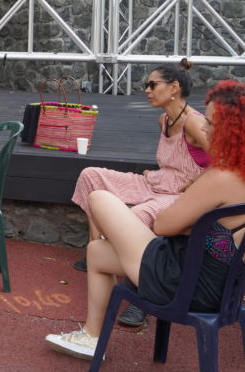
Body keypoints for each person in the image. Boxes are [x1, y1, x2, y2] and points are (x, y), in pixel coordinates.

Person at [46, 80, 245, 360]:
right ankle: (91, 337)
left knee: (100, 198)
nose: (204, 129)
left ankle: (120, 299)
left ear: (236, 131)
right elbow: (219, 232)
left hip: (186, 286)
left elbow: (163, 226)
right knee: (97, 252)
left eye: (211, 123)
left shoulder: (223, 177)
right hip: (221, 288)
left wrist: (188, 206)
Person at [70, 59, 210, 326]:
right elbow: (171, 161)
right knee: (91, 176)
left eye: (152, 84)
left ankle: (140, 294)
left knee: (138, 215)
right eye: (146, 85)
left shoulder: (194, 122)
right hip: (154, 183)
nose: (147, 90)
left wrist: (196, 183)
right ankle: (97, 249)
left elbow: (223, 160)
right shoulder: (163, 119)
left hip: (178, 195)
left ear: (174, 87)